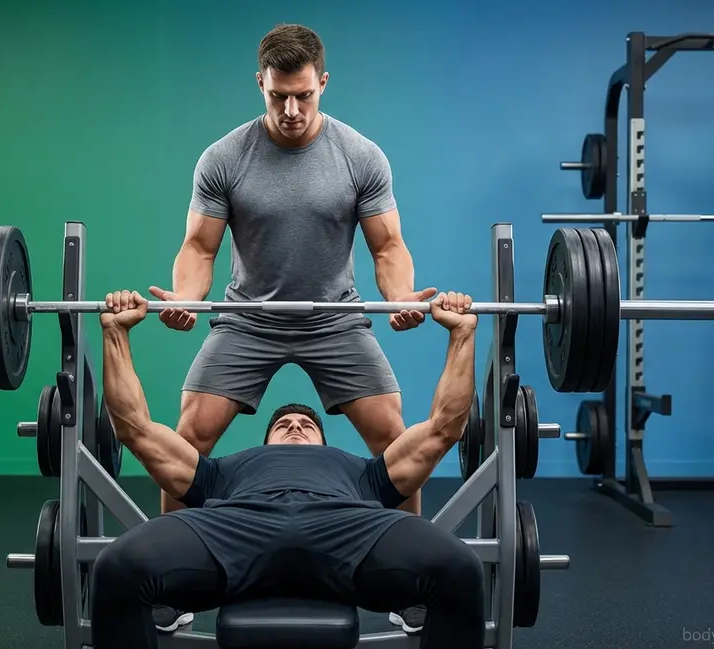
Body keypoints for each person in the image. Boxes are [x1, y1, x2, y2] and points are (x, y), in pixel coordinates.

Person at [146, 22, 431, 634]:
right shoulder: (224, 157)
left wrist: (402, 298)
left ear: (323, 83)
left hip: (336, 319)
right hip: (249, 319)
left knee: (397, 441)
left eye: (304, 95)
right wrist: (188, 301)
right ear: (261, 85)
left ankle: (410, 578)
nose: (292, 110)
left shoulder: (361, 156)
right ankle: (172, 577)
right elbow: (199, 248)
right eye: (279, 97)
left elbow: (388, 247)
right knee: (187, 436)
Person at [93, 289, 483, 649]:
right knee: (116, 567)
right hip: (235, 526)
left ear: (326, 449)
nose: (295, 425)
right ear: (264, 447)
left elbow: (443, 428)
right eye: (283, 425)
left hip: (349, 528)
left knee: (461, 568)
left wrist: (462, 335)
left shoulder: (363, 474)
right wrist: (115, 333)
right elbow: (135, 429)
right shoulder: (222, 472)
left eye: (306, 425)